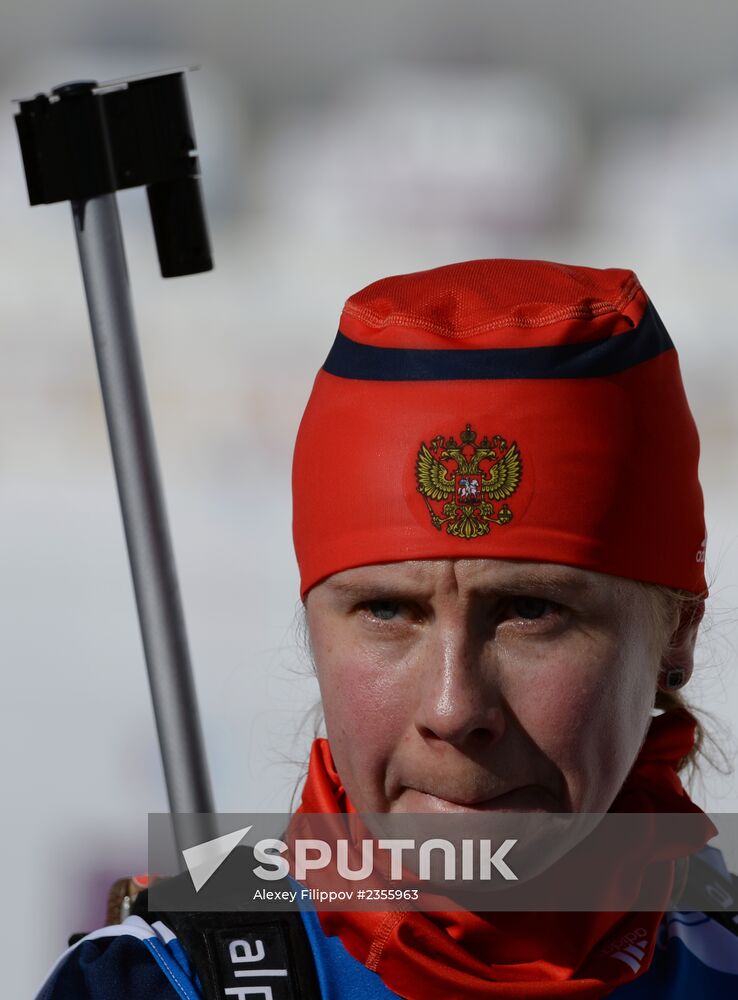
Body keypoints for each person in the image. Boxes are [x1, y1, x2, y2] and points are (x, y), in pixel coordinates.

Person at [35, 259, 738, 999]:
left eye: (530, 611)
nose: (453, 708)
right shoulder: (146, 984)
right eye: (388, 610)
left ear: (676, 634)